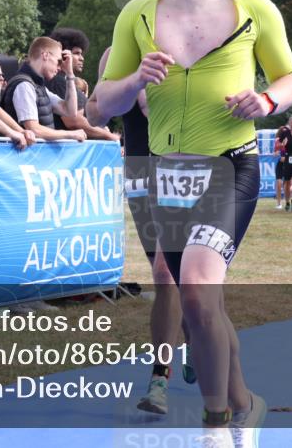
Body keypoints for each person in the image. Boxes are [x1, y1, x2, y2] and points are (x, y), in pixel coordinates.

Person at [88, 0, 292, 447]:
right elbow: (99, 105)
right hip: (166, 174)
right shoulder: (136, 15)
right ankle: (242, 401)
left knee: (200, 289)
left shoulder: (255, 8)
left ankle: (216, 426)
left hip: (231, 166)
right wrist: (134, 81)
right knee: (200, 300)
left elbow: (289, 78)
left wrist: (268, 102)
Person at [97, 43, 193, 417]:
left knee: (174, 271)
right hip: (139, 170)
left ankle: (160, 377)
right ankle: (188, 347)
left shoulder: (187, 49)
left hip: (183, 165)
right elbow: (97, 112)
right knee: (165, 273)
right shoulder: (115, 55)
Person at [1, 37, 87, 142]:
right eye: (58, 61)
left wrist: (69, 74)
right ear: (46, 55)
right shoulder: (24, 85)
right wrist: (70, 134)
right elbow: (34, 130)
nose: (60, 67)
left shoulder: (37, 86)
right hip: (24, 155)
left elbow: (70, 112)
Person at [49, 27, 119, 141]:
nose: (82, 58)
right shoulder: (58, 81)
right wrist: (108, 136)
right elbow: (73, 121)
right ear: (63, 54)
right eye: (77, 53)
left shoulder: (65, 80)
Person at [273, 123, 289, 209]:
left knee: (287, 184)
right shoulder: (277, 141)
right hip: (280, 164)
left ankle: (288, 201)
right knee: (279, 183)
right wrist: (282, 146)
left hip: (288, 164)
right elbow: (275, 153)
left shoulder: (291, 140)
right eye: (283, 132)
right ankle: (279, 203)